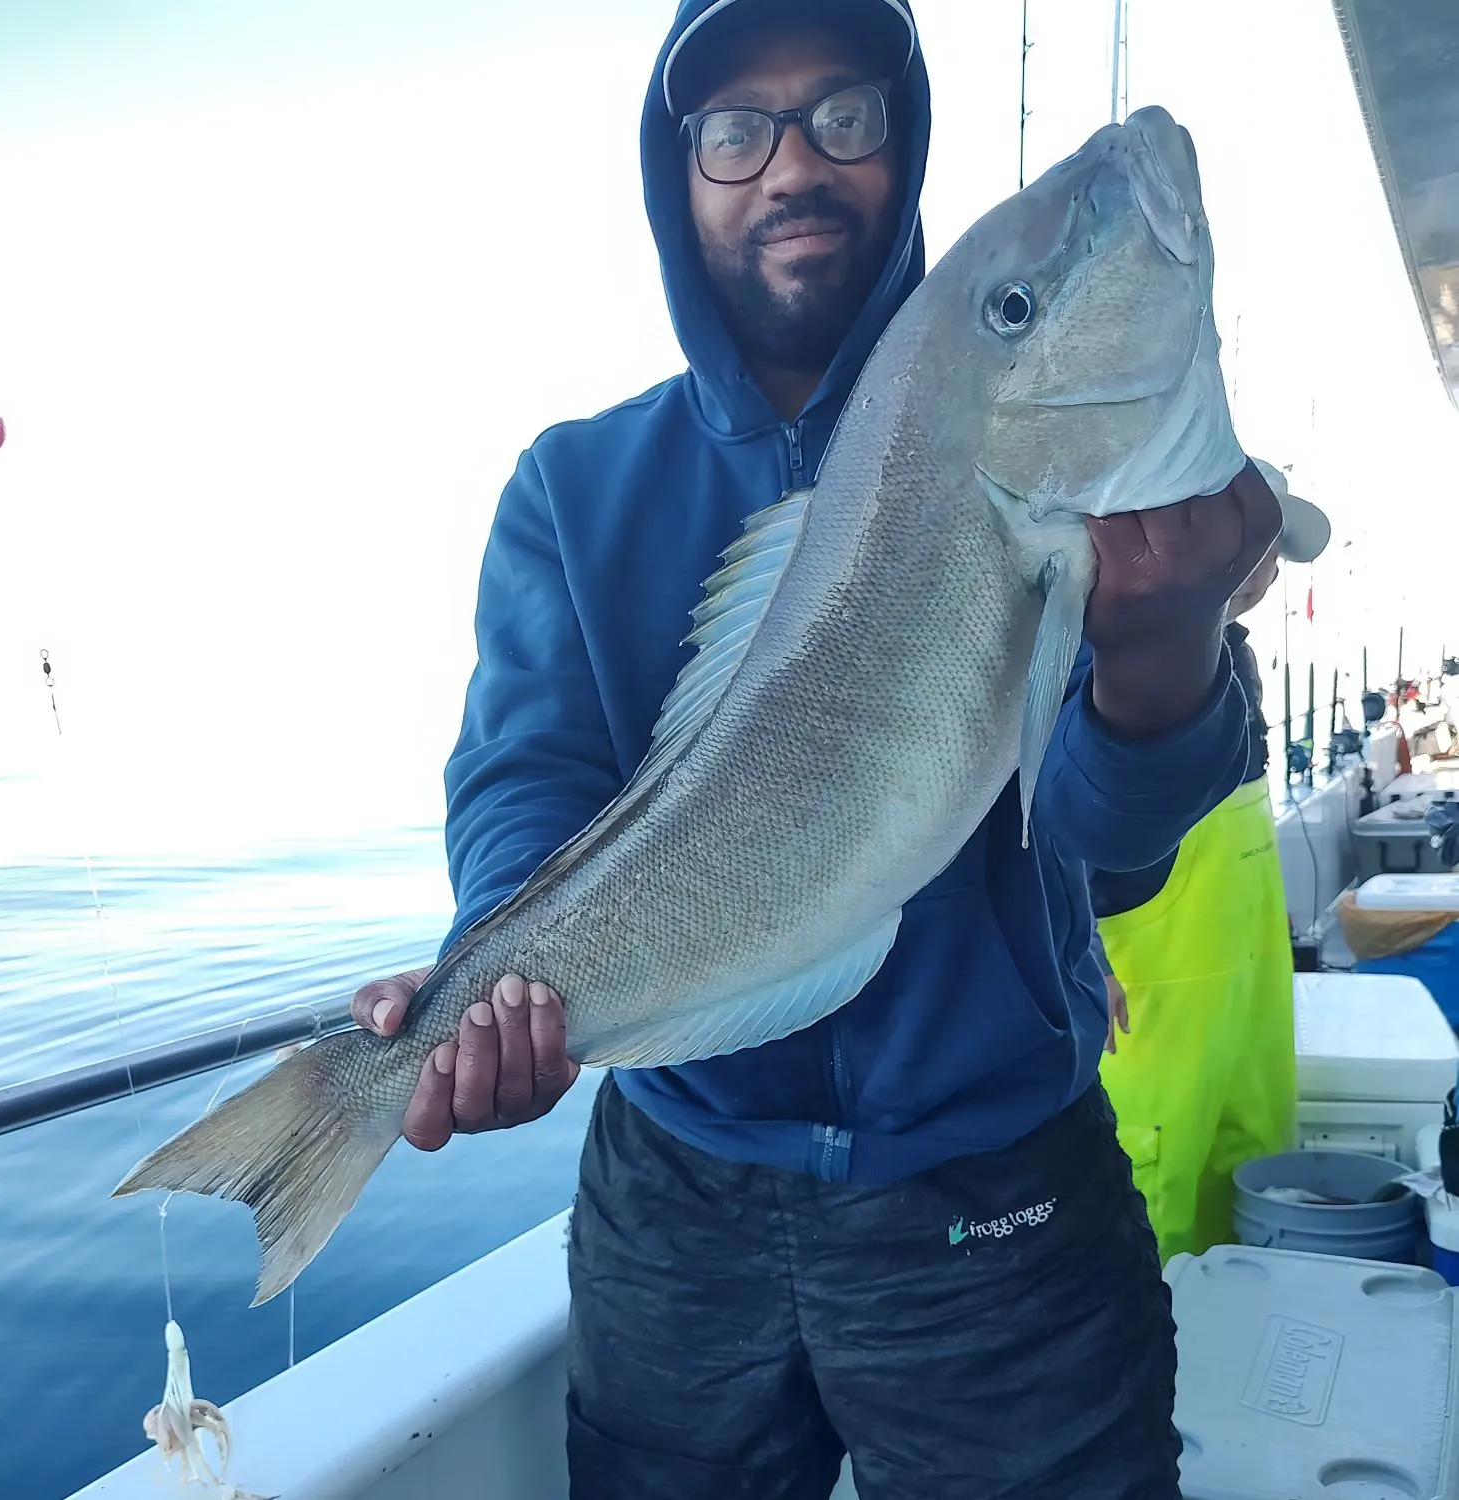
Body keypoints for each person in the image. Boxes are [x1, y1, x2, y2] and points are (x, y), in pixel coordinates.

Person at [351, 2, 1281, 1494]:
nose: (791, 162)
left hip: (998, 1198)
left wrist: (1164, 654)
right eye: (736, 128)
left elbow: (1108, 853)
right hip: (677, 1208)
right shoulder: (575, 486)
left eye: (840, 112)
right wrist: (500, 967)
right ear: (681, 175)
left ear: (901, 141)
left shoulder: (1083, 488)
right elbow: (525, 775)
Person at [1091, 458, 1331, 1265]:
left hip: (1245, 993)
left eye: (1272, 550)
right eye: (1255, 541)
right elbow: (1030, 814)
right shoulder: (1097, 656)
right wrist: (1075, 948)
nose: (1265, 569)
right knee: (1150, 1204)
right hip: (1147, 1004)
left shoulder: (1237, 656)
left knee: (1247, 1180)